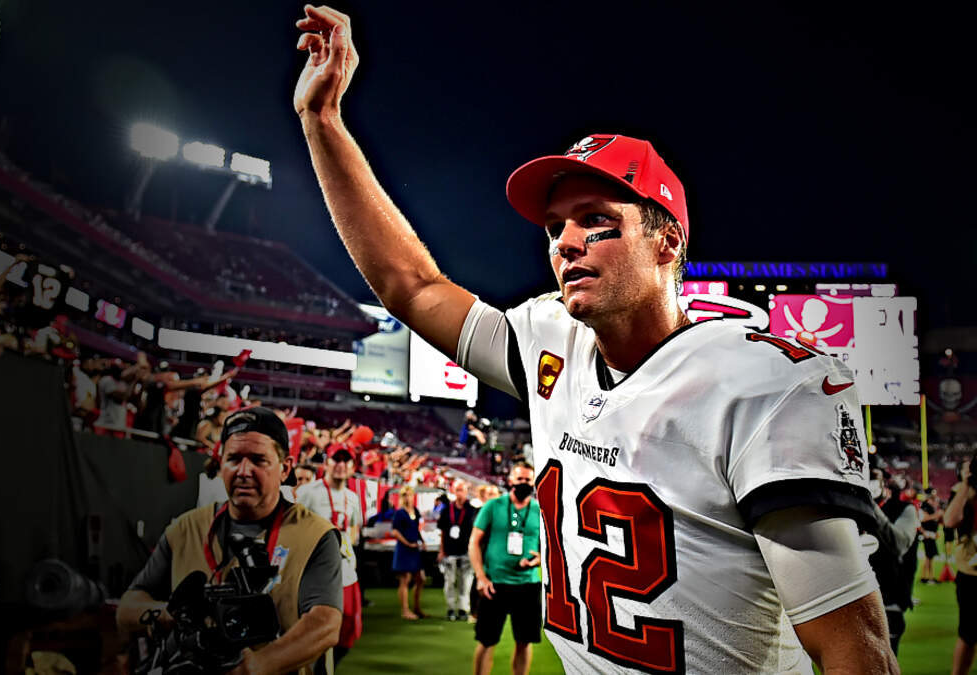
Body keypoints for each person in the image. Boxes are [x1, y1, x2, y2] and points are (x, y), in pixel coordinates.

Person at [293, 6, 895, 672]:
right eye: (556, 227)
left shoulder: (762, 387)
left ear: (667, 240)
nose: (566, 243)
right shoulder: (550, 338)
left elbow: (852, 646)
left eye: (595, 220)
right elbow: (411, 287)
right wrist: (323, 122)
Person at [116, 406, 342, 675]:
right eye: (233, 459)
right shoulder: (186, 529)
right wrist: (165, 613)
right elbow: (127, 609)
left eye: (258, 460)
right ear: (221, 463)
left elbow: (325, 624)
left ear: (284, 469)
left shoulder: (314, 535)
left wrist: (257, 666)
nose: (243, 471)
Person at [469, 463, 541, 675]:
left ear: (534, 482)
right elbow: (474, 542)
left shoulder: (540, 510)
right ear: (510, 481)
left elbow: (552, 546)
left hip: (528, 584)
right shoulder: (493, 506)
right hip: (495, 584)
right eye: (519, 479)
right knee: (486, 641)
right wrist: (481, 576)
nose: (524, 483)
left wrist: (541, 559)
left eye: (528, 480)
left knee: (524, 642)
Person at [296, 447, 363, 672]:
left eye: (346, 460)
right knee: (319, 628)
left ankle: (323, 667)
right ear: (327, 463)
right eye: (337, 459)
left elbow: (353, 528)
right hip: (317, 572)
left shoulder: (352, 497)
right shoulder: (308, 493)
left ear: (352, 467)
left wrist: (345, 545)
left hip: (346, 571)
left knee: (350, 627)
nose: (341, 465)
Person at [860, 466, 919, 654]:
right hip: (854, 596)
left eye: (872, 476)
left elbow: (899, 543)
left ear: (884, 483)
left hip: (889, 597)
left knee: (884, 660)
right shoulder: (850, 508)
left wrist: (868, 504)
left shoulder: (905, 509)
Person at [946, 457, 977, 675]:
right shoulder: (963, 491)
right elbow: (950, 520)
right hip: (971, 573)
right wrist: (967, 483)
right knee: (968, 635)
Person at [436, 478, 478, 622]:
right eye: (458, 490)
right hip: (450, 551)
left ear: (466, 492)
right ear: (453, 491)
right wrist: (441, 550)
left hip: (466, 551)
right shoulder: (447, 510)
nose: (460, 493)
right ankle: (451, 609)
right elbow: (442, 531)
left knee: (465, 582)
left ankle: (463, 609)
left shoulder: (472, 510)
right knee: (450, 581)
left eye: (462, 490)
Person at [389, 484, 425, 621]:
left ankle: (417, 607)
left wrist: (422, 541)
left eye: (409, 495)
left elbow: (416, 528)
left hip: (414, 548)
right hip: (404, 549)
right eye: (405, 495)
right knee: (404, 580)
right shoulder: (399, 513)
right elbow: (395, 531)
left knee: (420, 579)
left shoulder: (415, 511)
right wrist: (407, 543)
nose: (408, 498)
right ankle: (405, 610)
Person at [921, 487, 943, 584]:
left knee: (930, 556)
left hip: (932, 534)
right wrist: (937, 515)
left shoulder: (930, 505)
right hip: (928, 534)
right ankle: (926, 577)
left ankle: (928, 577)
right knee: (928, 555)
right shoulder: (925, 505)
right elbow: (924, 518)